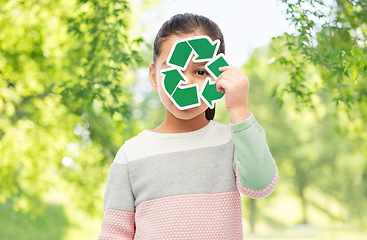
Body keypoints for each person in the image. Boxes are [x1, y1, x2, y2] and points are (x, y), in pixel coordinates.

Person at [98, 13, 279, 239]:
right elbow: (115, 232)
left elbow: (261, 185)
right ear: (154, 77)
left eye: (201, 72)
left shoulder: (232, 141)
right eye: (175, 69)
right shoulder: (131, 154)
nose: (187, 83)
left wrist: (239, 109)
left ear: (219, 76)